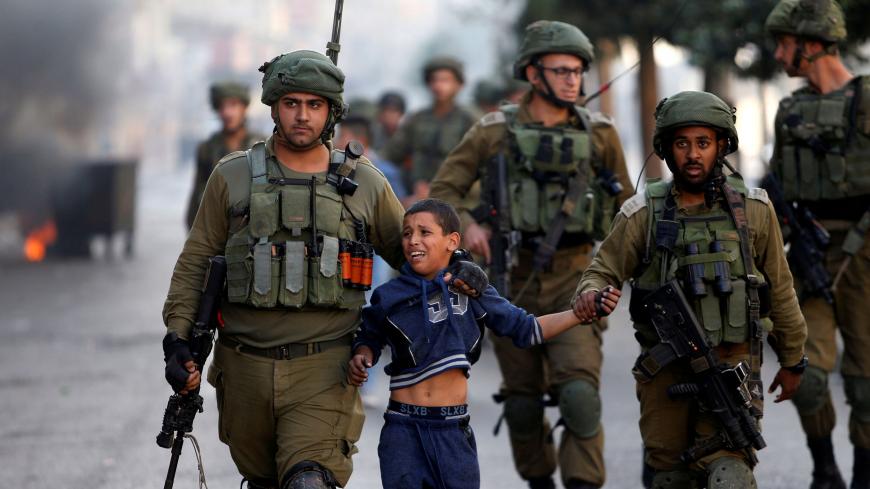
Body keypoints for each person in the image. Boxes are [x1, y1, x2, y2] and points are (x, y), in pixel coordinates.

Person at [161, 50, 487, 489]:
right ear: (274, 106)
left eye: (314, 105)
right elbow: (196, 261)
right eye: (291, 103)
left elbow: (412, 254)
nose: (302, 116)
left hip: (326, 368)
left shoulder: (364, 183)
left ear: (331, 112)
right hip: (243, 370)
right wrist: (179, 339)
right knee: (263, 481)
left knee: (309, 482)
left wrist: (461, 268)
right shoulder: (232, 177)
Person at [430, 20, 633, 489]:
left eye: (578, 71)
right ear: (533, 74)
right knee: (522, 403)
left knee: (580, 394)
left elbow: (630, 213)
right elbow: (444, 194)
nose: (572, 80)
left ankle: (583, 482)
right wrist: (471, 224)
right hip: (508, 279)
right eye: (561, 70)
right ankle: (539, 480)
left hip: (578, 276)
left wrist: (623, 273)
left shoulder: (600, 134)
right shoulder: (493, 132)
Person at [573, 90, 809, 488]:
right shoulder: (643, 213)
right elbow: (601, 272)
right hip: (665, 371)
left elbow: (781, 291)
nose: (693, 154)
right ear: (667, 149)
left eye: (703, 143)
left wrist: (793, 358)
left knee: (731, 474)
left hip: (732, 367)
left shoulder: (754, 210)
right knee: (670, 477)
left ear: (721, 145)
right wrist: (593, 295)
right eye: (682, 143)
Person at [347, 198, 587, 489]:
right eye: (407, 233)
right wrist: (363, 356)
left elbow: (526, 328)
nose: (413, 240)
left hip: (453, 431)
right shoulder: (389, 295)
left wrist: (579, 313)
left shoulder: (473, 289)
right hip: (402, 431)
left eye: (425, 232)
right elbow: (369, 337)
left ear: (452, 241)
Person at [765, 1, 870, 487]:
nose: (779, 54)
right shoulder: (790, 111)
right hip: (811, 255)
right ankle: (825, 469)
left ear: (809, 45)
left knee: (866, 382)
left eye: (784, 44)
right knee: (805, 371)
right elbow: (778, 187)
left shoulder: (868, 98)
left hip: (865, 255)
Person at [383, 56, 478, 203]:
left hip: (455, 199)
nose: (438, 85)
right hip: (415, 196)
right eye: (434, 80)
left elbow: (475, 166)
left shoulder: (469, 121)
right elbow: (391, 155)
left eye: (445, 80)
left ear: (459, 85)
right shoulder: (417, 119)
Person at [186, 81, 266, 229]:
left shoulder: (262, 145)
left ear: (244, 107)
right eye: (222, 106)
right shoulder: (207, 148)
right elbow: (197, 192)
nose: (228, 113)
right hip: (216, 228)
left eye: (233, 105)